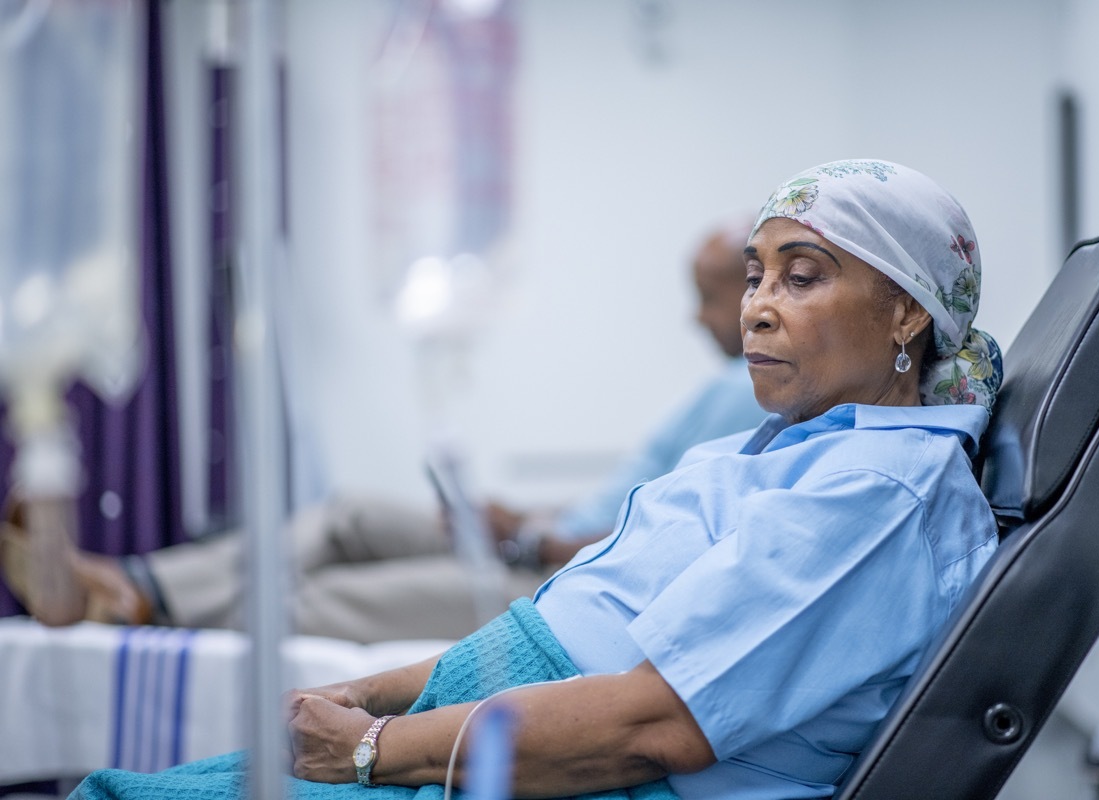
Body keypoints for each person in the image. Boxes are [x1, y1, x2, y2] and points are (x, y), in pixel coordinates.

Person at [65, 159, 1005, 800]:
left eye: (801, 278)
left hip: (581, 768)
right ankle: (135, 589)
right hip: (510, 724)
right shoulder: (798, 448)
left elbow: (653, 726)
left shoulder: (878, 497)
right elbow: (585, 619)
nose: (756, 307)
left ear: (906, 314)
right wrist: (377, 693)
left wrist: (371, 749)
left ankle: (134, 594)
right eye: (756, 276)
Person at [0, 218, 766, 643]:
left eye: (708, 296)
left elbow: (668, 545)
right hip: (542, 545)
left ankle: (130, 606)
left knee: (321, 598)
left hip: (559, 584)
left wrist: (533, 540)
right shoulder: (725, 391)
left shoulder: (751, 393)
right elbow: (634, 504)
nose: (695, 317)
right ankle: (136, 585)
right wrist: (524, 519)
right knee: (348, 515)